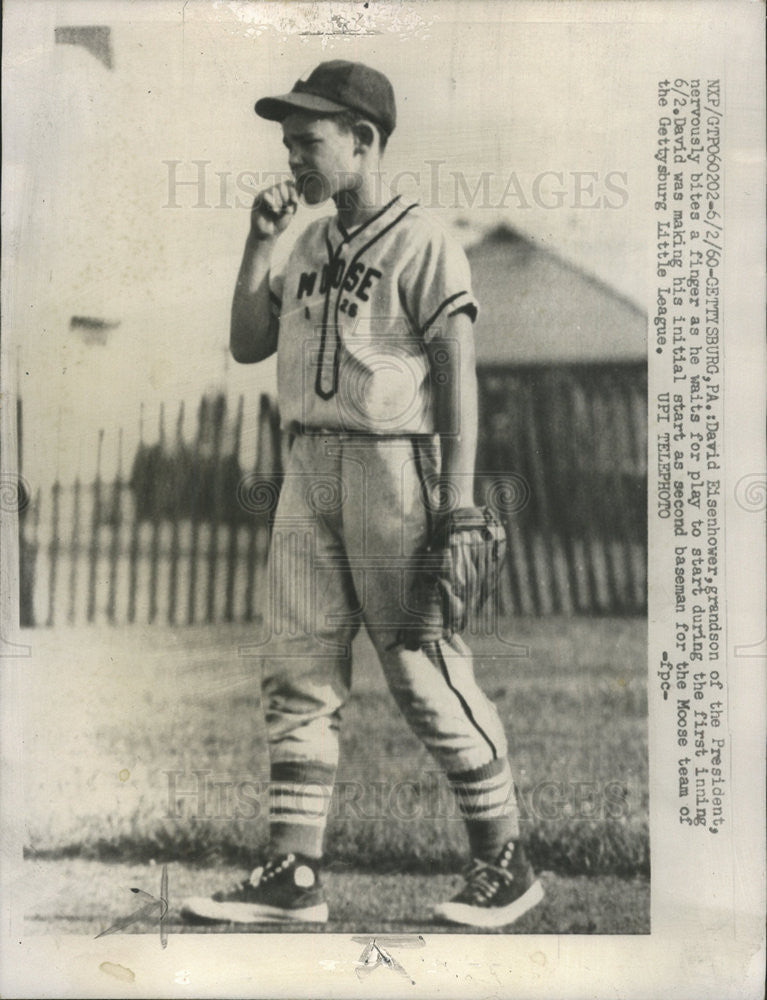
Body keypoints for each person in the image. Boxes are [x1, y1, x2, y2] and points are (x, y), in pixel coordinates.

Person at [181, 60, 543, 928]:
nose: (292, 157)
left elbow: (459, 377)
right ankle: (294, 873)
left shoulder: (424, 240)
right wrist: (256, 243)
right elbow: (244, 343)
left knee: (423, 671)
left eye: (307, 141)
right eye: (287, 141)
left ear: (364, 140)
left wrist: (457, 505)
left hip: (394, 466)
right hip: (307, 467)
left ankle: (506, 861)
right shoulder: (303, 243)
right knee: (296, 666)